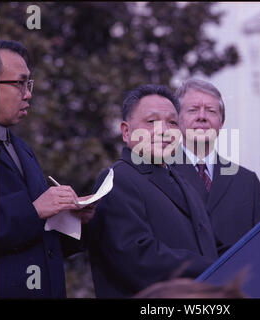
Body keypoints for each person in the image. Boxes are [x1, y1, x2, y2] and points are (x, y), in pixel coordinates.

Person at [88, 84, 219, 298]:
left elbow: (209, 245)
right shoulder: (117, 179)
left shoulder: (184, 180)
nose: (164, 131)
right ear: (126, 131)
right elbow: (137, 258)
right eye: (151, 122)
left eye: (172, 123)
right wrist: (214, 267)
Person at [0, 40, 95, 298]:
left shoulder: (20, 147)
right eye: (20, 83)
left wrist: (73, 220)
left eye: (29, 84)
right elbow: (31, 216)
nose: (28, 94)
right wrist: (34, 210)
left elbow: (38, 236)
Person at [173, 79, 260, 249]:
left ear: (221, 123)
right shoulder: (161, 174)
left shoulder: (247, 182)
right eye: (193, 110)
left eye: (211, 111)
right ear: (177, 120)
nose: (202, 117)